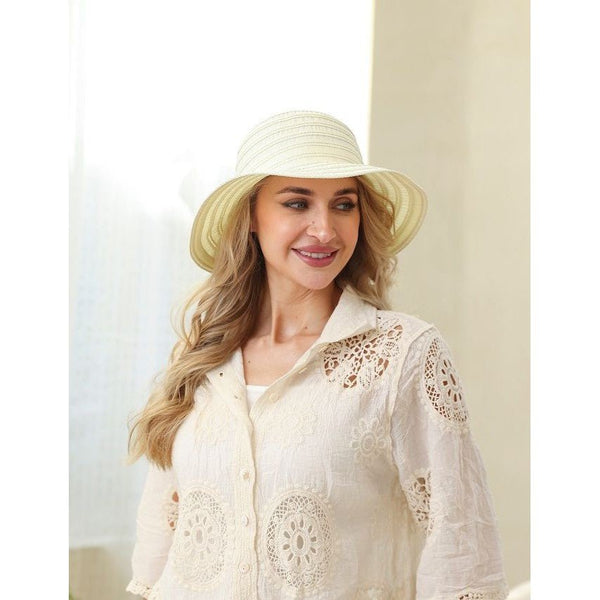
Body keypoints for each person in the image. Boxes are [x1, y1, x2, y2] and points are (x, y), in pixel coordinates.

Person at [126, 110, 508, 600]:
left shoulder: (403, 356)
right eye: (297, 203)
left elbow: (461, 549)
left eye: (343, 205)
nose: (325, 230)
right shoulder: (201, 356)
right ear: (251, 217)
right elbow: (157, 553)